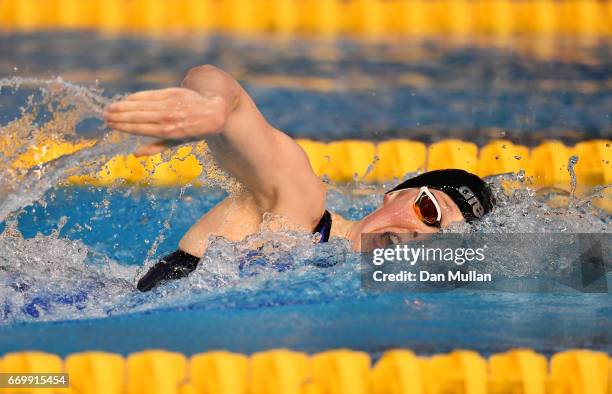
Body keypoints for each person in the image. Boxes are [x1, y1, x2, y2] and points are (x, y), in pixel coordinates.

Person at [103, 65, 494, 292]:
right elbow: (221, 85)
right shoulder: (301, 208)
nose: (421, 234)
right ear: (394, 195)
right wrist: (211, 107)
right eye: (428, 210)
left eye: (444, 238)